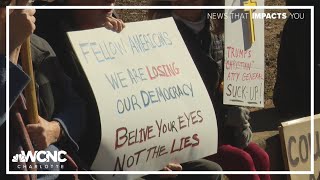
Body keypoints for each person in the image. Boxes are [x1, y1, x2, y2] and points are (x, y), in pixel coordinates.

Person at [149, 0, 271, 180]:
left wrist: (240, 112)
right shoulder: (159, 36)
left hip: (222, 128)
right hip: (187, 137)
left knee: (261, 157)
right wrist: (225, 116)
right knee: (242, 161)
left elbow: (232, 80)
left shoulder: (218, 28)